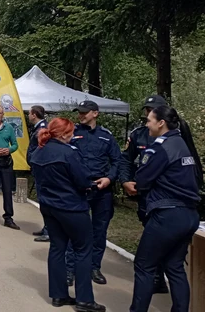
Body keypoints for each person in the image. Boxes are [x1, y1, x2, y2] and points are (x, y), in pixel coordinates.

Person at [129, 106, 202, 312]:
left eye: (149, 120)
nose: (146, 124)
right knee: (174, 267)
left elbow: (142, 179)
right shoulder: (182, 144)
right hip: (189, 216)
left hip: (168, 215)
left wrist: (135, 184)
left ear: (161, 123)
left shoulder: (161, 147)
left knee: (144, 266)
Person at [30, 118, 106, 312]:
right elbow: (82, 179)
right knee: (83, 250)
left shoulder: (39, 151)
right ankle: (85, 300)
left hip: (48, 206)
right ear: (64, 134)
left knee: (57, 248)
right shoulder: (68, 153)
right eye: (71, 133)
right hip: (71, 207)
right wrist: (92, 185)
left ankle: (59, 295)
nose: (73, 136)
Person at [66, 101, 121, 286]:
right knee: (75, 230)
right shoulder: (72, 133)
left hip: (101, 189)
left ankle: (94, 267)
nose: (80, 115)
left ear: (95, 114)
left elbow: (117, 161)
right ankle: (70, 269)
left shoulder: (106, 136)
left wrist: (109, 179)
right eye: (79, 112)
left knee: (99, 230)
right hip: (79, 188)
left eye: (84, 112)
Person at [119, 95, 170, 294]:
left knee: (164, 238)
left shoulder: (176, 135)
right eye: (147, 109)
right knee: (150, 233)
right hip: (145, 196)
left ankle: (162, 275)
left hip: (166, 195)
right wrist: (125, 181)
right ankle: (156, 277)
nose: (149, 112)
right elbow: (126, 160)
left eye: (153, 109)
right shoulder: (139, 134)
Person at [27, 105, 49, 242]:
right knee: (43, 201)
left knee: (45, 201)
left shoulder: (42, 129)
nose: (28, 116)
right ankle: (46, 227)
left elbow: (42, 149)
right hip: (38, 169)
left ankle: (48, 230)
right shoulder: (39, 128)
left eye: (29, 113)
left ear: (34, 114)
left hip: (42, 171)